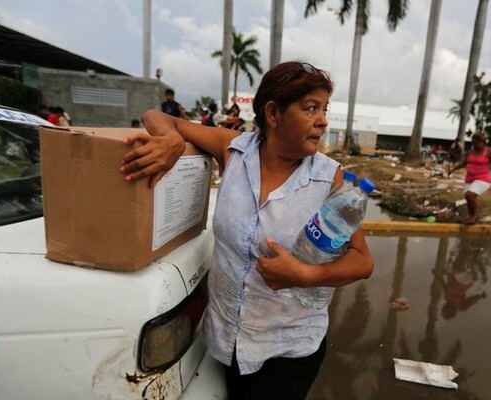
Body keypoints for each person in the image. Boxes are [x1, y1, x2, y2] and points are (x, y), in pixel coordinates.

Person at [120, 61, 374, 400]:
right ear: (273, 113)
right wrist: (171, 141)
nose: (323, 120)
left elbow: (362, 261)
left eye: (325, 109)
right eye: (311, 108)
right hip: (225, 341)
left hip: (287, 351)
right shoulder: (234, 151)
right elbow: (158, 116)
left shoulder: (330, 179)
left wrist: (303, 273)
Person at [448, 132, 491, 225]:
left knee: (469, 195)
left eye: (477, 143)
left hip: (483, 178)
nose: (474, 145)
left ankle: (473, 217)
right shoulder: (471, 152)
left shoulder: (489, 151)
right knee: (469, 199)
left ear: (483, 142)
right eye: (473, 143)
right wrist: (453, 169)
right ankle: (472, 216)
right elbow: (464, 163)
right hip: (470, 178)